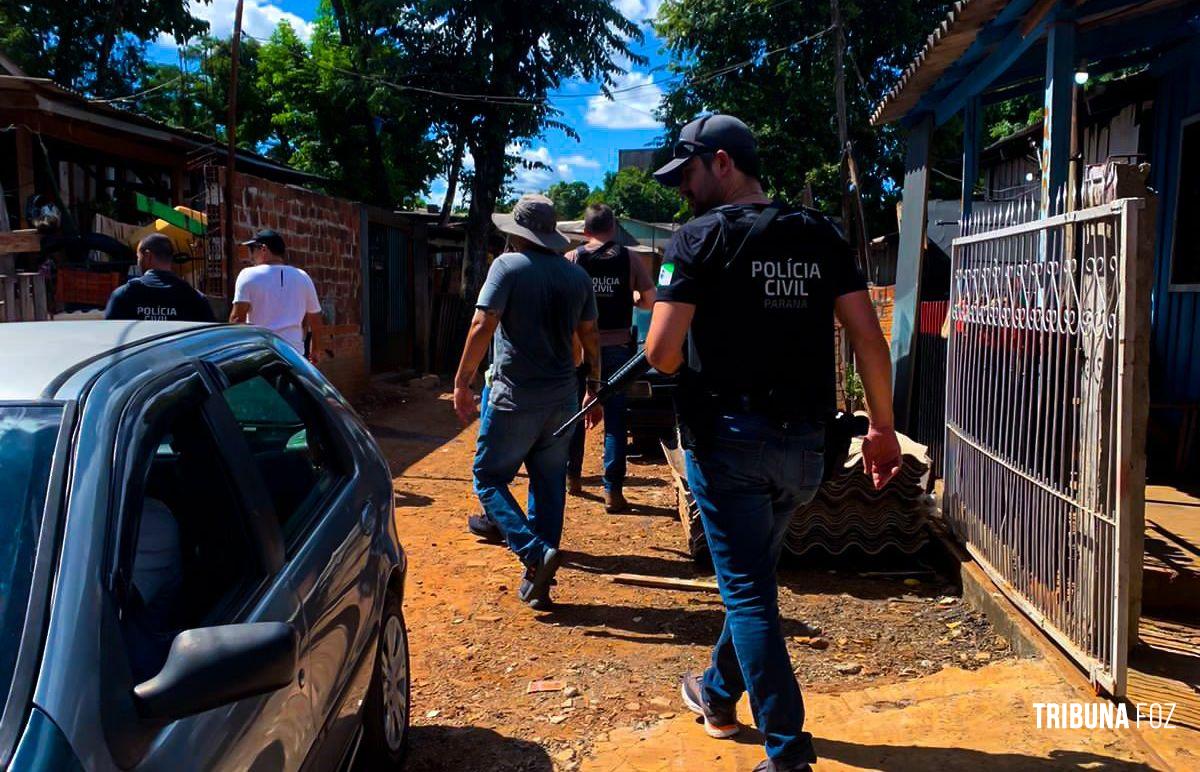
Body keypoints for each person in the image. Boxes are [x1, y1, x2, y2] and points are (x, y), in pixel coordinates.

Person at [644, 114, 902, 772]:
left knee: (750, 593)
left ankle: (788, 753)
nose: (683, 190)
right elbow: (869, 339)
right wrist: (881, 427)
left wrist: (687, 358)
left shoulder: (697, 239)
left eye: (689, 174)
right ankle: (718, 693)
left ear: (722, 163)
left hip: (729, 444)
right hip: (805, 449)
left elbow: (662, 352)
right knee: (752, 578)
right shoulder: (821, 234)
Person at [453, 194, 600, 610]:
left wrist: (462, 381)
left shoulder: (507, 267)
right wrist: (594, 384)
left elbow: (483, 323)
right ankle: (540, 582)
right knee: (549, 485)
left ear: (518, 234)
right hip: (563, 398)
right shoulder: (576, 277)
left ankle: (533, 553)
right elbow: (589, 336)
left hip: (516, 397)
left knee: (488, 476)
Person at [566, 204, 656, 512]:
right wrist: (631, 296)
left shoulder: (573, 259)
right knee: (616, 419)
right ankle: (612, 492)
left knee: (576, 412)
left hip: (579, 349)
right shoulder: (629, 258)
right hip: (618, 348)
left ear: (586, 231)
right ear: (614, 229)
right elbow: (650, 300)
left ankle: (573, 477)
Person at [229, 229, 322, 362]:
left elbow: (237, 318)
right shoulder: (303, 277)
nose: (251, 256)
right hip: (294, 356)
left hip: (261, 354)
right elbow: (315, 317)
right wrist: (316, 349)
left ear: (263, 249)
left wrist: (237, 354)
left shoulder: (247, 275)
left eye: (252, 249)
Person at [105, 233, 215, 322]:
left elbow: (111, 337)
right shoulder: (195, 298)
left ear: (148, 256)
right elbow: (210, 340)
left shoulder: (124, 295)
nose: (137, 262)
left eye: (138, 257)